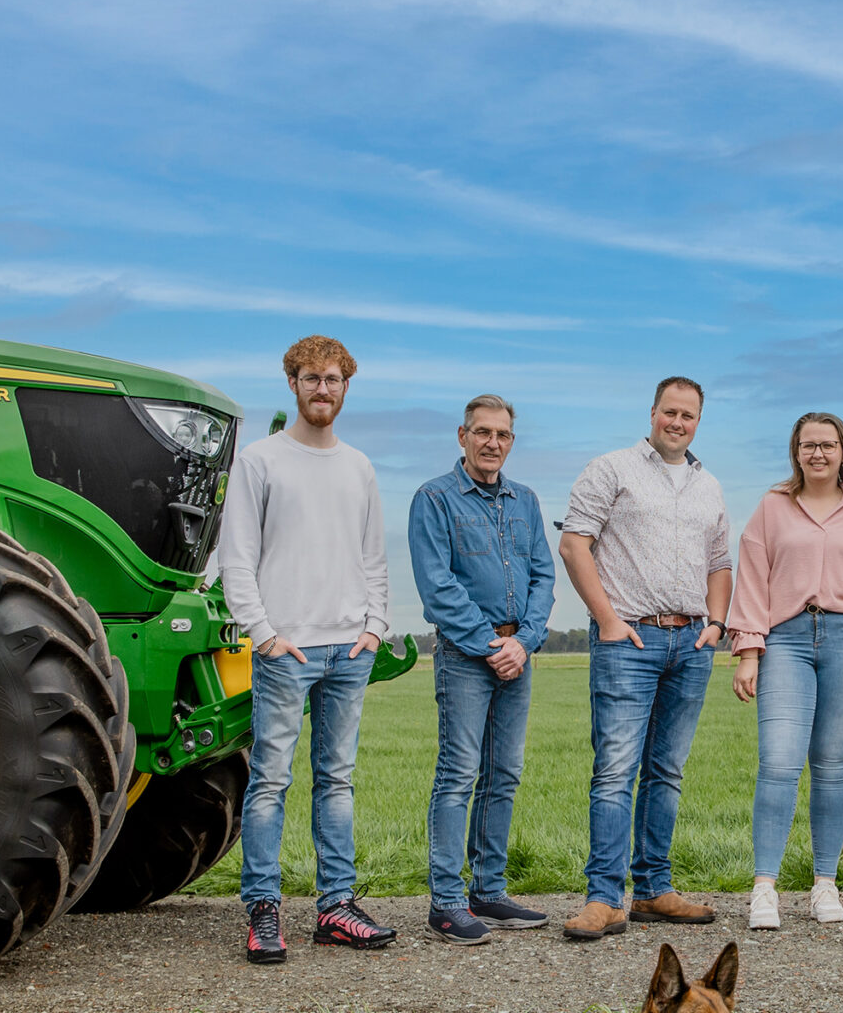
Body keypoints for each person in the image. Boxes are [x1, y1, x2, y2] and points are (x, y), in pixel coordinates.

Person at [219, 334, 397, 964]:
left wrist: (374, 626)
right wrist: (264, 634)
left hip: (348, 651)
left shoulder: (359, 467)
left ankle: (336, 908)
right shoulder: (261, 461)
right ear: (292, 384)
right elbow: (235, 558)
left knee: (337, 781)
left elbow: (373, 556)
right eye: (312, 378)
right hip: (285, 651)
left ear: (346, 387)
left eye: (334, 379)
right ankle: (263, 911)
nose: (324, 388)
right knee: (270, 780)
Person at [557, 377, 734, 942]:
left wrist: (717, 624)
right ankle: (604, 898)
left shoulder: (710, 485)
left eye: (688, 416)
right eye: (669, 412)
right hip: (630, 638)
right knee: (615, 770)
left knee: (667, 771)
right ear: (653, 412)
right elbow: (573, 542)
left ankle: (654, 889)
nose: (677, 423)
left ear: (698, 422)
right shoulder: (611, 469)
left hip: (691, 642)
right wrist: (608, 620)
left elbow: (720, 562)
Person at [731, 412, 843, 930]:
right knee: (779, 761)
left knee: (832, 763)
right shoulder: (772, 507)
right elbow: (753, 577)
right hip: (786, 639)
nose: (818, 454)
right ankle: (765, 888)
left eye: (827, 445)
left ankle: (825, 884)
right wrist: (748, 650)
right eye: (808, 446)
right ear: (796, 452)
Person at [408, 395, 558, 945]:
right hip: (467, 658)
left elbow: (543, 575)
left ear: (511, 441)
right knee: (458, 775)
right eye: (482, 433)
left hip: (517, 653)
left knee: (504, 774)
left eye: (502, 434)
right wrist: (491, 645)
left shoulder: (526, 501)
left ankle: (488, 891)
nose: (492, 443)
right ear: (463, 436)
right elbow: (437, 585)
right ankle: (446, 901)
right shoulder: (435, 499)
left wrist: (526, 641)